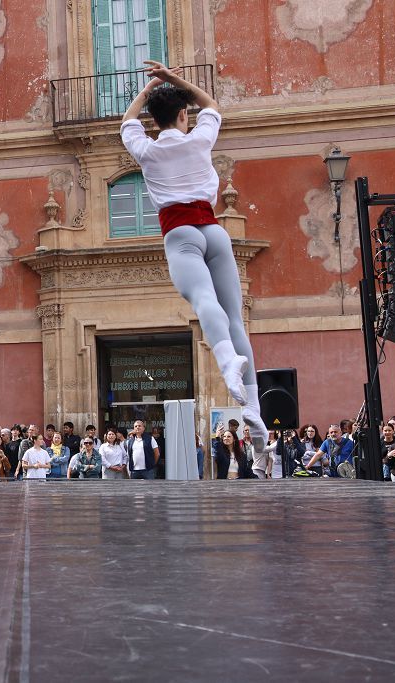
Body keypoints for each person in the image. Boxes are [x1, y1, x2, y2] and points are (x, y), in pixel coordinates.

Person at [120, 60, 268, 451]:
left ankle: (226, 362)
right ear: (184, 115)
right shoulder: (201, 138)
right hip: (214, 231)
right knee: (235, 317)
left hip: (181, 234)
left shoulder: (146, 151)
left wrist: (149, 90)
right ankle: (253, 409)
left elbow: (127, 120)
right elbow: (212, 104)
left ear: (155, 120)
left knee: (203, 300)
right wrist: (172, 78)